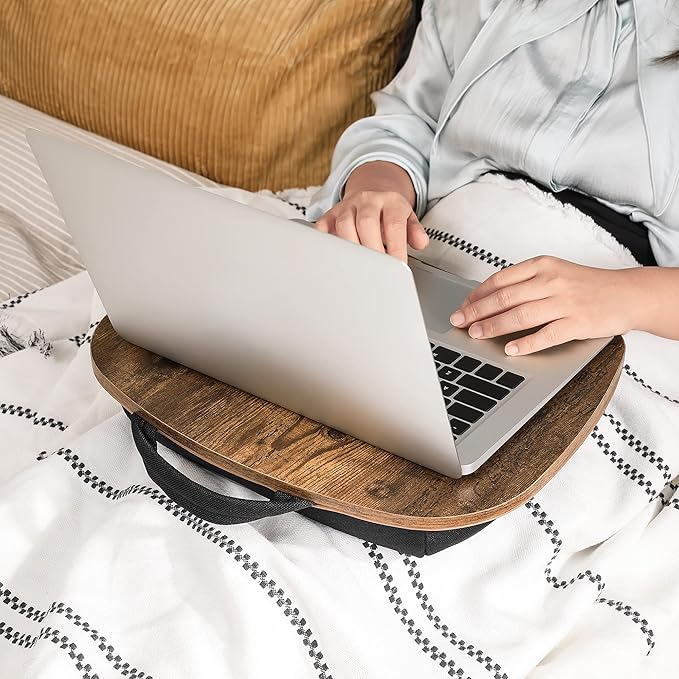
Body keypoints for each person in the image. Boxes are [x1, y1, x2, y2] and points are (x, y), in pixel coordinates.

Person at [307, 0, 679, 356]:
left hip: (616, 324)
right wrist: (377, 191)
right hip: (420, 261)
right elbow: (410, 122)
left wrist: (630, 297)